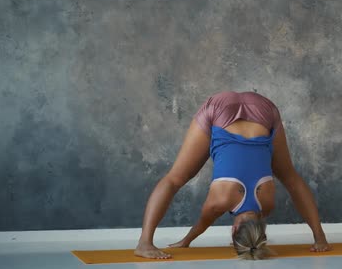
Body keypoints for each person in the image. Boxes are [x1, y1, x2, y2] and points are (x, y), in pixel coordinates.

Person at [134, 91, 331, 260]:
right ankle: (144, 243)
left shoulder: (268, 202)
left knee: (290, 179)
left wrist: (320, 240)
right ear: (233, 231)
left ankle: (320, 237)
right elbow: (203, 223)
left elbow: (286, 189)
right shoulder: (220, 201)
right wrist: (185, 241)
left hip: (262, 108)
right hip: (221, 113)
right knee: (174, 179)